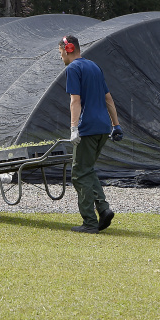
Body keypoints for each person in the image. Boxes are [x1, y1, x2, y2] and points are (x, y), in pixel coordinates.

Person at [60, 35, 124, 234]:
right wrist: (116, 125)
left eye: (60, 51)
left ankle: (89, 222)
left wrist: (73, 128)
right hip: (103, 128)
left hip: (87, 128)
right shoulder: (94, 67)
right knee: (87, 169)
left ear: (68, 49)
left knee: (79, 174)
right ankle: (103, 210)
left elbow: (75, 100)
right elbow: (108, 98)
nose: (60, 56)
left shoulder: (73, 69)